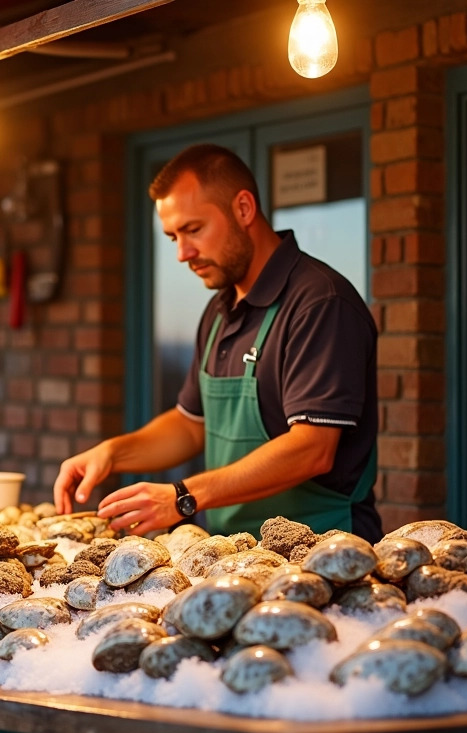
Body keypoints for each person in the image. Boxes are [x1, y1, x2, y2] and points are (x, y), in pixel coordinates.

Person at [53, 144, 380, 542]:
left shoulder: (320, 302)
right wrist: (112, 453)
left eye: (193, 230)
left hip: (320, 552)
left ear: (243, 208)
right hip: (234, 552)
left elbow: (312, 448)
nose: (182, 253)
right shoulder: (220, 309)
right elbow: (191, 426)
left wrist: (183, 497)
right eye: (173, 236)